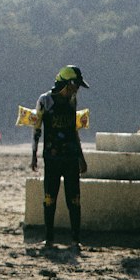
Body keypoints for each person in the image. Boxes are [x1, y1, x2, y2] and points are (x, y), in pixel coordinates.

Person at [29, 64, 90, 252]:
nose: (77, 89)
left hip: (70, 158)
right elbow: (37, 128)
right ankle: (48, 239)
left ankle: (76, 239)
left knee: (74, 198)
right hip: (52, 158)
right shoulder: (45, 100)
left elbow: (74, 131)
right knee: (50, 197)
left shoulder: (73, 101)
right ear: (67, 83)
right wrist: (34, 156)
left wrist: (81, 157)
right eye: (75, 85)